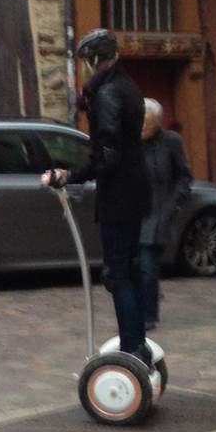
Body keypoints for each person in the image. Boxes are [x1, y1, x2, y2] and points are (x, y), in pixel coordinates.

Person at [42, 28, 153, 363]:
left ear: (92, 61)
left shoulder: (106, 95)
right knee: (129, 271)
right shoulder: (128, 87)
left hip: (118, 195)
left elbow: (106, 154)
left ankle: (132, 348)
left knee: (118, 274)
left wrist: (70, 175)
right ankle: (138, 345)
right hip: (134, 190)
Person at [140, 97, 192, 332]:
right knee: (133, 268)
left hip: (159, 213)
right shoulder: (130, 142)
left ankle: (148, 315)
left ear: (158, 123)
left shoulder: (171, 142)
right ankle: (142, 303)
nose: (142, 128)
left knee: (148, 265)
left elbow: (184, 176)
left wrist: (174, 203)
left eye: (147, 123)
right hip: (133, 213)